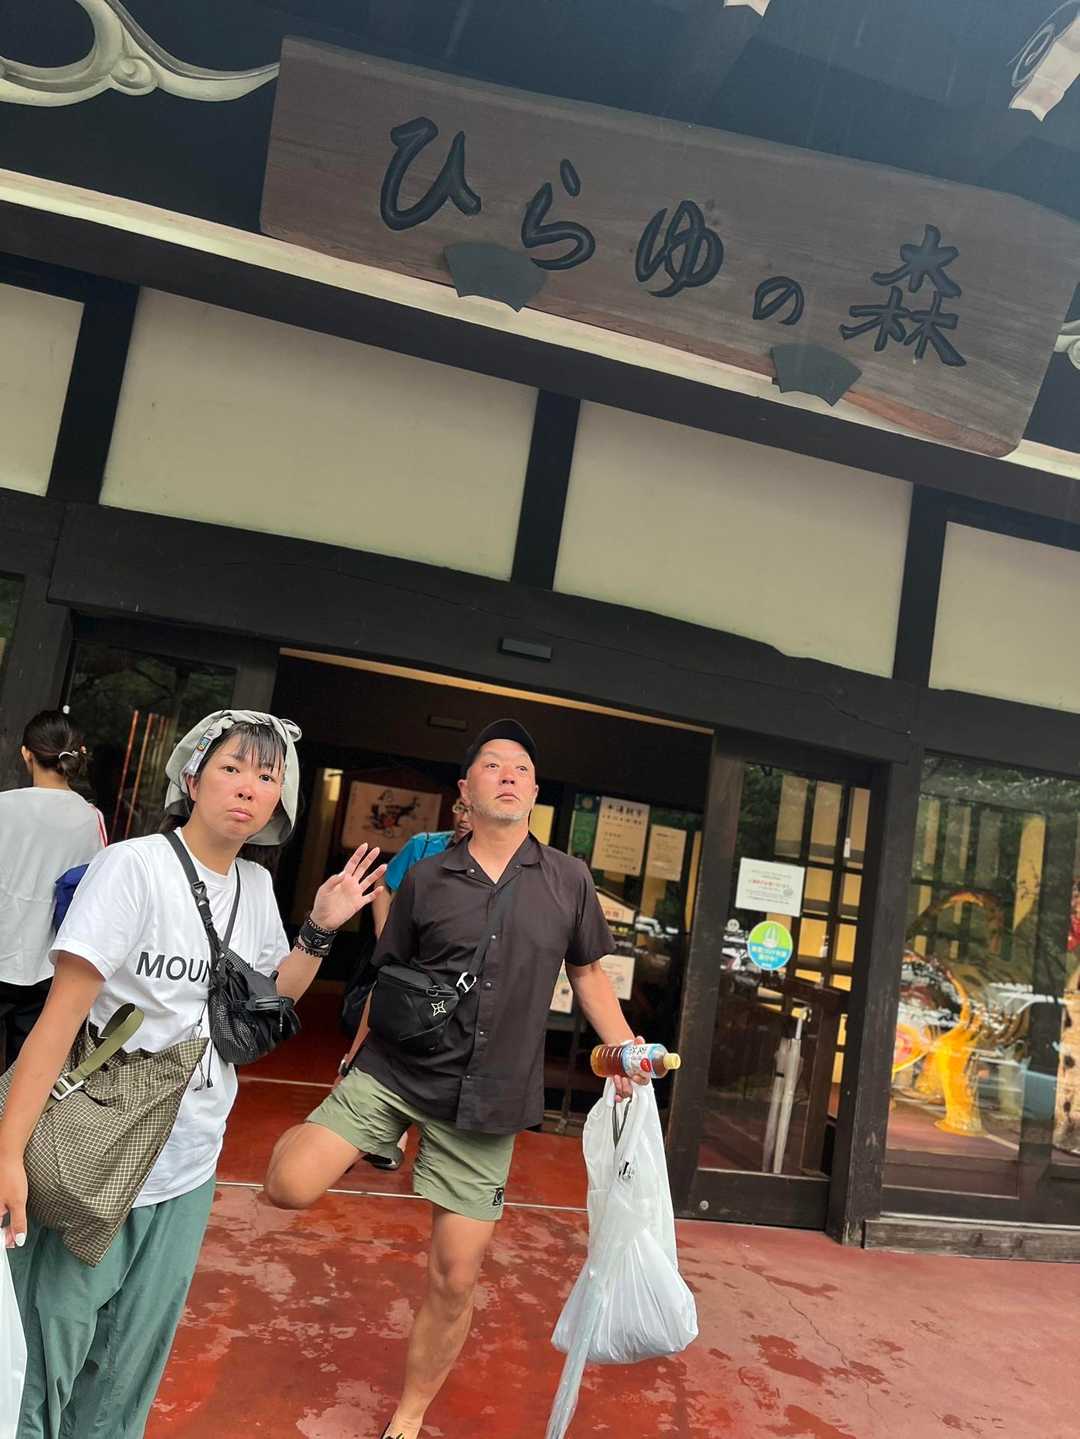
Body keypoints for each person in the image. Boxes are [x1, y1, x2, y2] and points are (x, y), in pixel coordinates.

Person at [0, 710, 386, 1439]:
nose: (248, 787)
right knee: (49, 1353)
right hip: (99, 1148)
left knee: (127, 1371)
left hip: (190, 1160)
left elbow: (267, 1004)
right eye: (232, 767)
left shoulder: (255, 888)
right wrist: (8, 1153)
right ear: (192, 776)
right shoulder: (133, 867)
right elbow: (59, 1021)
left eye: (266, 776)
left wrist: (321, 928)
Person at [265, 718, 644, 1439]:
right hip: (395, 1070)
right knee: (288, 1186)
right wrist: (353, 1058)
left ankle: (409, 1415)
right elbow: (389, 974)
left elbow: (590, 974)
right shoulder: (428, 875)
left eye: (521, 768)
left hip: (488, 1097)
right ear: (465, 790)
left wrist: (623, 1049)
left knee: (454, 1275)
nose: (508, 774)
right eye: (492, 765)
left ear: (534, 791)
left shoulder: (568, 879)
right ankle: (351, 1128)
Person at [0, 711, 106, 1068]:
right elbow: (94, 891)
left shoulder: (4, 806)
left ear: (26, 753)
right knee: (24, 1072)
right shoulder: (91, 818)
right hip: (47, 966)